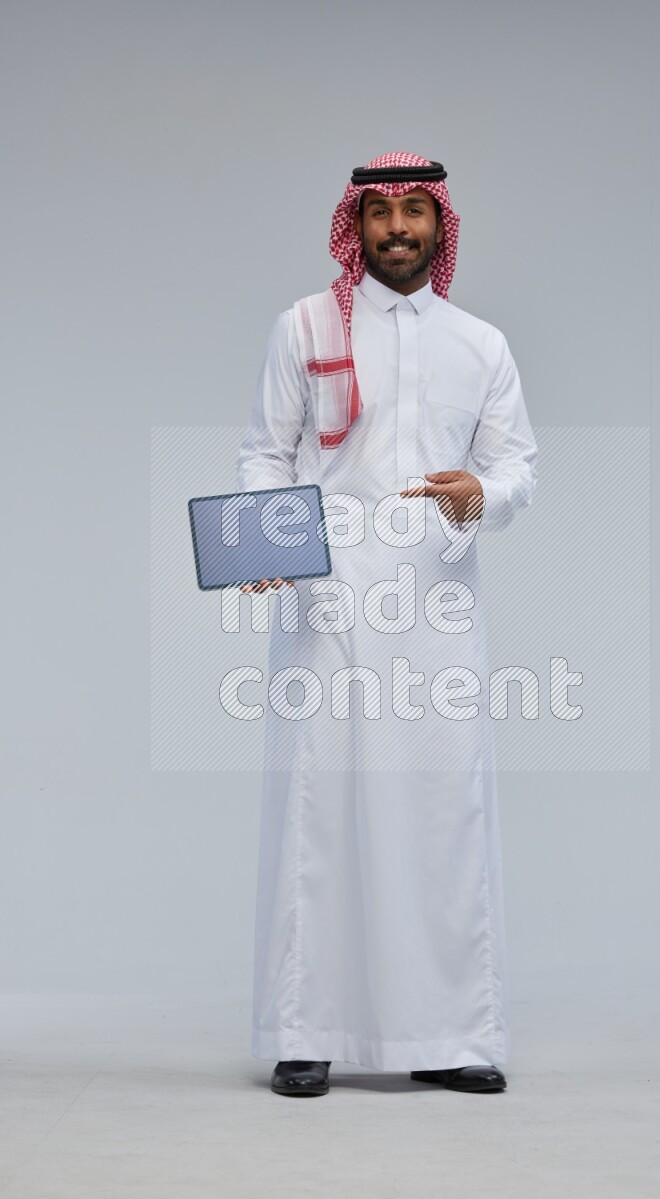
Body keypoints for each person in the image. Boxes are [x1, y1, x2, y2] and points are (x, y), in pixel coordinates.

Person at [235, 152, 538, 1097]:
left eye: (416, 212)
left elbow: (520, 466)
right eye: (381, 213)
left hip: (438, 604)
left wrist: (479, 493)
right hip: (329, 601)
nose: (398, 228)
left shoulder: (480, 344)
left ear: (439, 226)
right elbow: (264, 455)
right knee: (322, 811)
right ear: (354, 225)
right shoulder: (306, 325)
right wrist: (262, 550)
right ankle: (305, 1028)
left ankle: (447, 1035)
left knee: (441, 811)